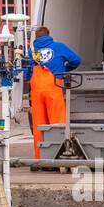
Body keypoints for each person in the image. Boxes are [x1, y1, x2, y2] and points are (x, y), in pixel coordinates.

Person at [24, 26, 81, 158]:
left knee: (39, 125)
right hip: (54, 87)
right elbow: (76, 60)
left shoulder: (31, 51)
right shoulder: (59, 47)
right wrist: (65, 68)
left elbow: (26, 71)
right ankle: (59, 156)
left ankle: (40, 157)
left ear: (36, 38)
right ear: (49, 35)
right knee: (57, 123)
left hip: (36, 90)